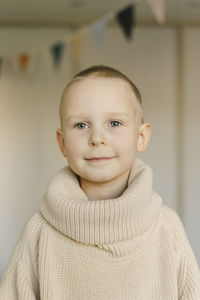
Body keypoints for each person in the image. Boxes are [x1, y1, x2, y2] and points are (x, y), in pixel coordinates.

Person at [0, 65, 200, 300]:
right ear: (62, 142)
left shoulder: (167, 228)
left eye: (114, 123)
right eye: (81, 125)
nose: (97, 138)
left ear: (141, 137)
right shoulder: (39, 232)